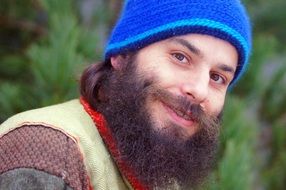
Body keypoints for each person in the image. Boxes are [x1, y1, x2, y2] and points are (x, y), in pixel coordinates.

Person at [0, 0, 252, 189]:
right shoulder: (47, 150)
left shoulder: (157, 176)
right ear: (123, 55)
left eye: (217, 77)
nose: (198, 90)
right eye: (180, 57)